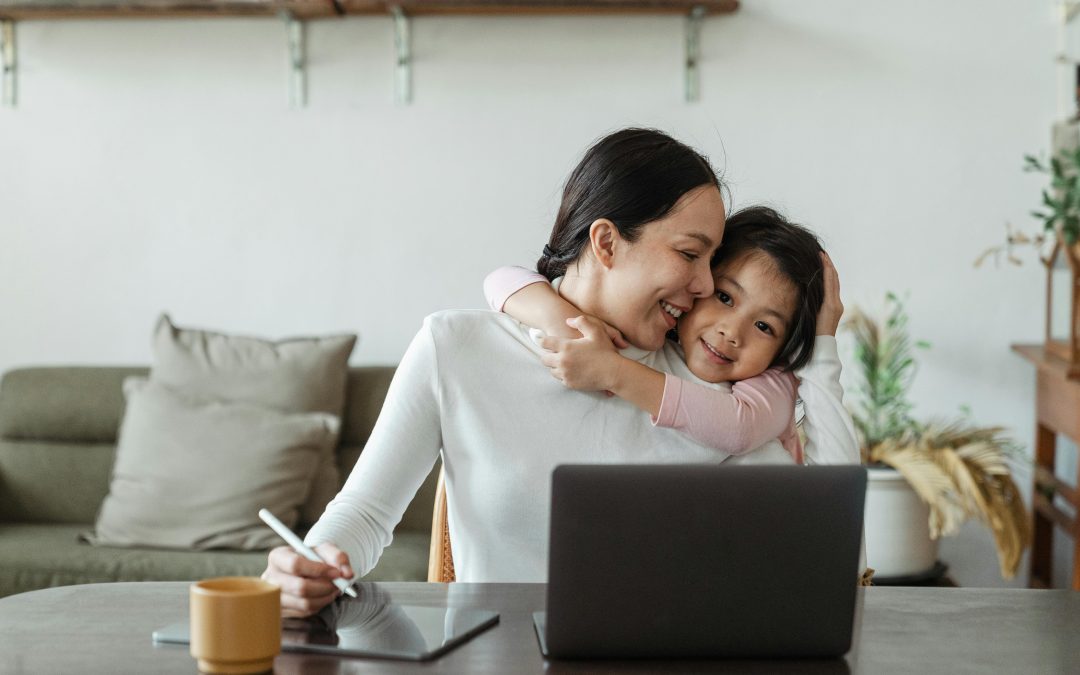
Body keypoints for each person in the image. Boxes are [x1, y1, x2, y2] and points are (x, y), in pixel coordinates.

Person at [262, 128, 859, 617]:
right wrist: (311, 561)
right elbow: (365, 514)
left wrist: (824, 347)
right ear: (606, 242)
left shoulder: (715, 391)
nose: (705, 286)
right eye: (688, 254)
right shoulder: (456, 349)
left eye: (712, 261)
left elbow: (826, 539)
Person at [483, 206, 840, 463]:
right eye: (725, 297)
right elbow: (501, 278)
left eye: (765, 327)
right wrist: (562, 321)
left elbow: (740, 429)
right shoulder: (660, 336)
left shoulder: (774, 379)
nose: (732, 332)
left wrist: (613, 372)